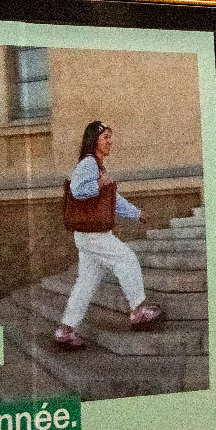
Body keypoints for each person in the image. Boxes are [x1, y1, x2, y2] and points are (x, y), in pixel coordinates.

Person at [55, 121, 163, 348]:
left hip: (87, 235)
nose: (110, 141)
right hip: (94, 234)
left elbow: (112, 201)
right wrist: (98, 183)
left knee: (86, 282)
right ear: (94, 141)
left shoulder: (98, 166)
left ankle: (66, 330)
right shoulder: (88, 164)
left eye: (110, 136)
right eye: (105, 137)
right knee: (126, 259)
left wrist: (136, 214)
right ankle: (138, 312)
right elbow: (77, 190)